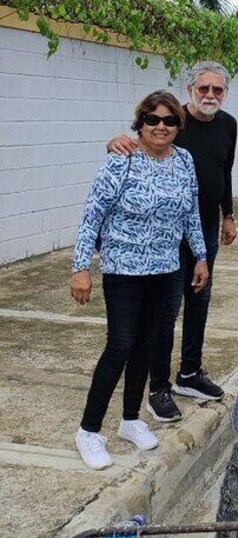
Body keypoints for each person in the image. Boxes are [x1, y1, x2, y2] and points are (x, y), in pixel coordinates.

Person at [71, 91, 209, 470]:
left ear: (178, 126)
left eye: (169, 120)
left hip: (167, 270)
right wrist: (80, 267)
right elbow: (91, 217)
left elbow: (191, 213)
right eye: (153, 119)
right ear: (140, 124)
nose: (161, 126)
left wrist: (200, 256)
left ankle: (131, 418)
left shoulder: (184, 160)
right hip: (124, 270)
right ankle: (88, 430)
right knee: (120, 345)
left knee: (149, 345)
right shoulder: (121, 160)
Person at [107, 61, 237, 422]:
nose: (210, 95)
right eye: (203, 89)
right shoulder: (173, 121)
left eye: (217, 90)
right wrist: (113, 142)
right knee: (165, 311)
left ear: (224, 93)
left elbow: (223, 172)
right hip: (167, 233)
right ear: (190, 90)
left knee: (200, 299)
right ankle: (158, 388)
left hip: (205, 228)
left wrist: (228, 215)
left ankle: (190, 374)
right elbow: (144, 145)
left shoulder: (228, 124)